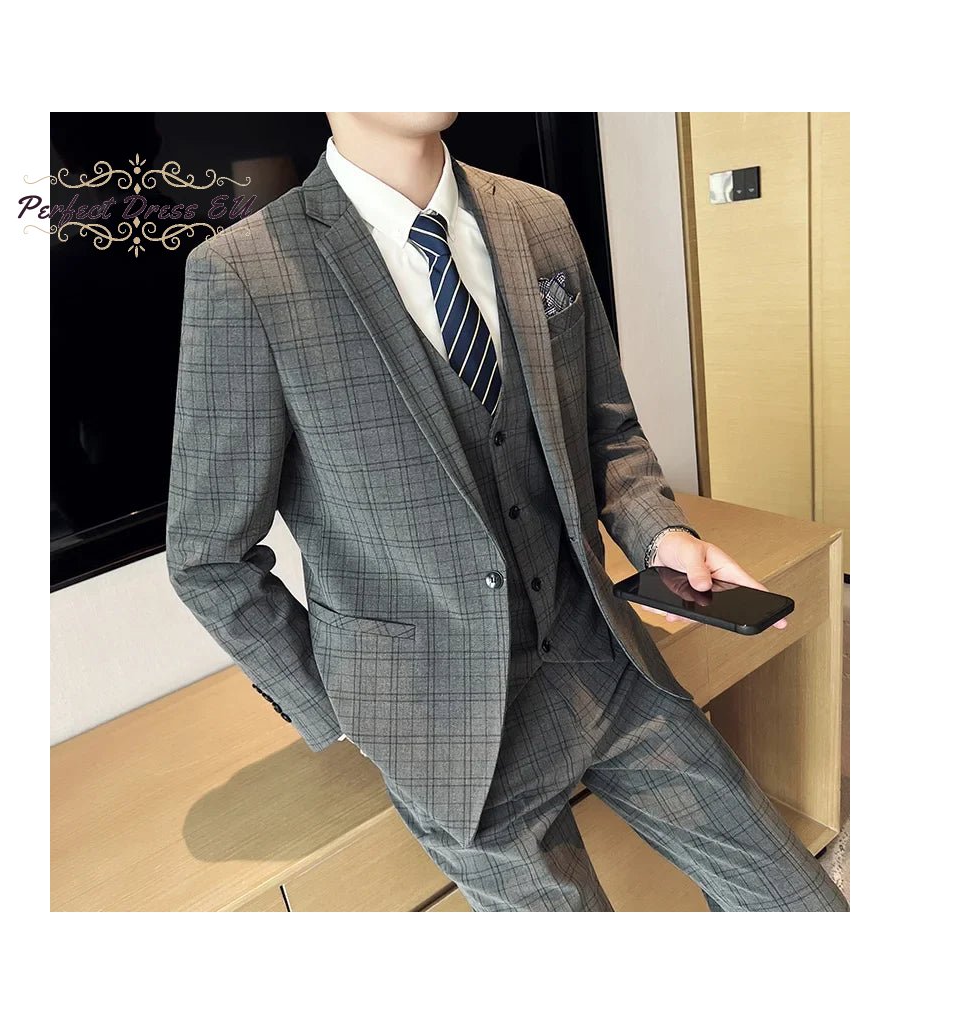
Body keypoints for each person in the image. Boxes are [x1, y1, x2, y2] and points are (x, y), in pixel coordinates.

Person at [166, 111, 848, 912]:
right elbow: (208, 555)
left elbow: (606, 428)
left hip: (604, 661)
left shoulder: (537, 217)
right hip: (447, 731)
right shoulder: (244, 274)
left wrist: (662, 536)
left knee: (801, 905)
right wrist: (344, 706)